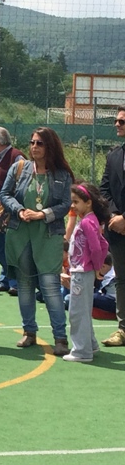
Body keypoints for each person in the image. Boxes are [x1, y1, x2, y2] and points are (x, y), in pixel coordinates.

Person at [0, 127, 73, 356]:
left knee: (51, 287)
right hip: (20, 233)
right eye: (32, 142)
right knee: (24, 285)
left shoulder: (62, 174)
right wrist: (20, 210)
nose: (34, 147)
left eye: (39, 143)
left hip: (48, 235)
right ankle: (29, 332)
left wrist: (43, 214)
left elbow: (66, 204)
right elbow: (5, 194)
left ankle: (60, 338)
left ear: (50, 146)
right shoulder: (19, 167)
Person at [64, 182, 110, 362]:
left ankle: (81, 351)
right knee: (83, 310)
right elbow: (103, 244)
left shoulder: (87, 222)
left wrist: (98, 266)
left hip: (83, 273)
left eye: (76, 202)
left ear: (88, 202)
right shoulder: (90, 221)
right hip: (81, 271)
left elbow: (97, 248)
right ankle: (90, 344)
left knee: (77, 312)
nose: (73, 206)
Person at [0, 126, 24, 295]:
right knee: (0, 245)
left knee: (7, 247)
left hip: (7, 211)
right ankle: (5, 279)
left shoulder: (16, 157)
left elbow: (22, 181)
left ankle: (15, 281)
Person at [100, 106, 125, 347]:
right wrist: (115, 217)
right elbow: (104, 190)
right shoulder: (114, 156)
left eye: (122, 121)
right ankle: (123, 328)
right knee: (122, 279)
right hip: (118, 230)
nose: (117, 125)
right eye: (117, 121)